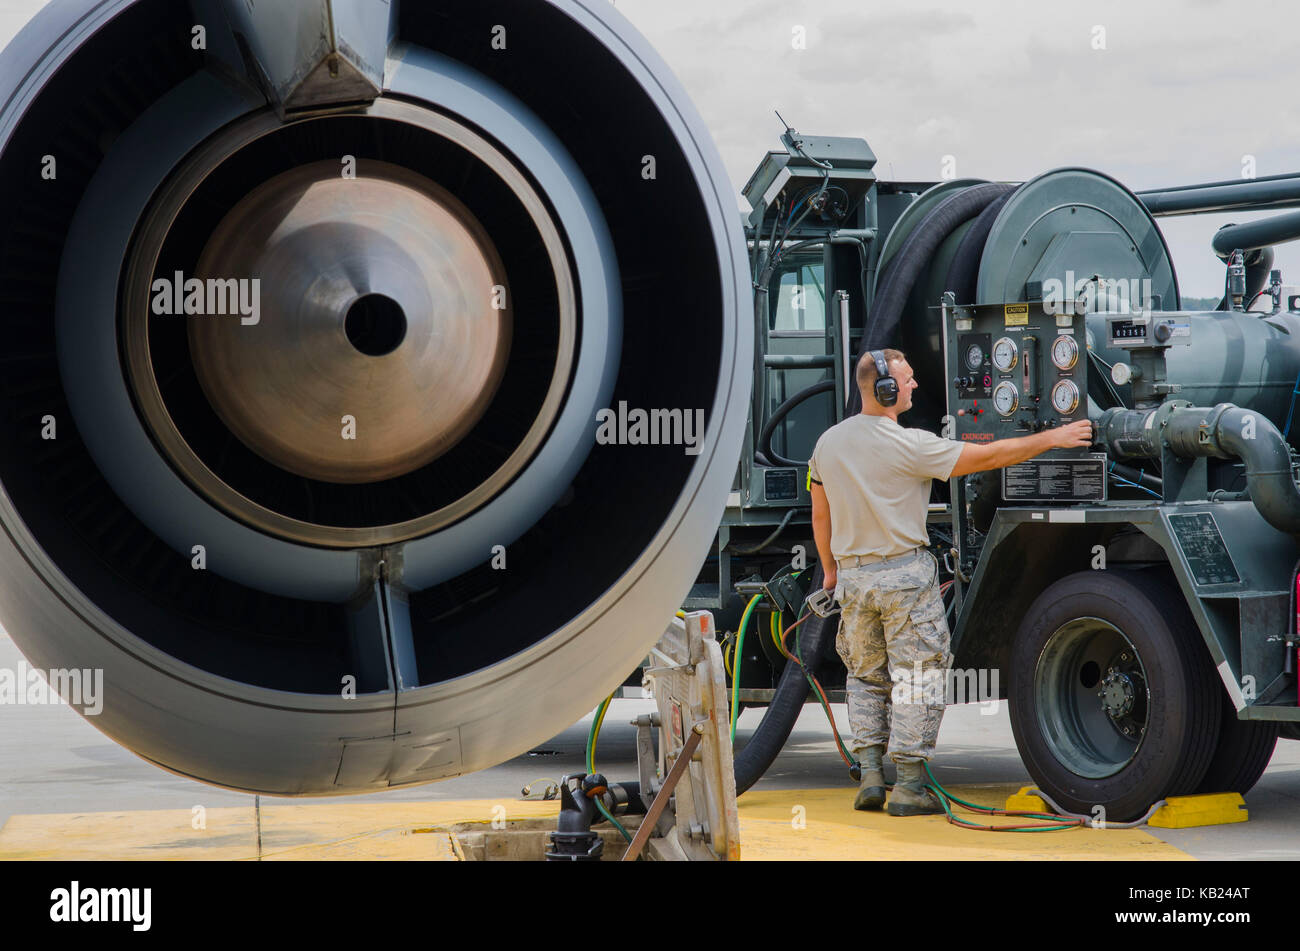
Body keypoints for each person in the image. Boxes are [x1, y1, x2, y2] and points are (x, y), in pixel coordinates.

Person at [807, 348, 1093, 815]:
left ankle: (872, 776)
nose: (914, 385)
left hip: (853, 580)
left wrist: (832, 569)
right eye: (907, 378)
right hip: (903, 576)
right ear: (884, 390)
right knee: (918, 676)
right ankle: (910, 787)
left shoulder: (827, 444)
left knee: (864, 676)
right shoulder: (910, 444)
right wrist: (1054, 436)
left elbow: (821, 512)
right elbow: (989, 455)